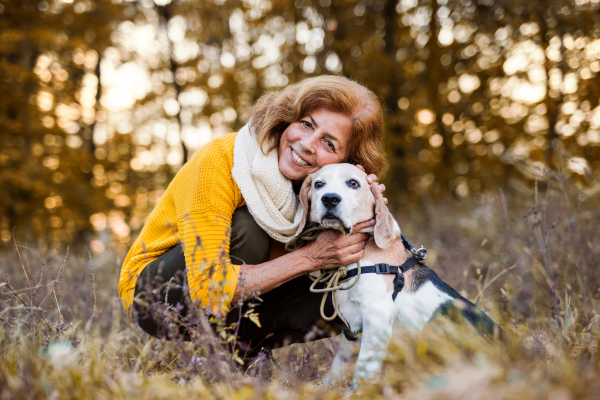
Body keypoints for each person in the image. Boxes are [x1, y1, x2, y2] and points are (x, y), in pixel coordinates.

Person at [118, 75, 388, 356]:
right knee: (249, 228)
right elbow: (208, 286)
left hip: (244, 294)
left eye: (329, 144)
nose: (307, 144)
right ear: (288, 118)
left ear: (347, 160)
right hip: (154, 295)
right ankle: (219, 356)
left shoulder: (319, 190)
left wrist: (363, 200)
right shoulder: (221, 160)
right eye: (306, 124)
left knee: (343, 289)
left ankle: (242, 350)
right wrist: (310, 257)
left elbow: (363, 256)